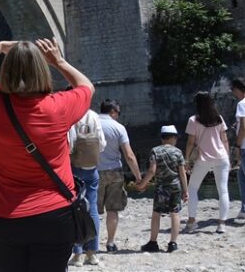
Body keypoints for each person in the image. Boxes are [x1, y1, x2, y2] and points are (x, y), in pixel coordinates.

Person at [0, 39, 94, 272]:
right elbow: (86, 86)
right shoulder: (59, 106)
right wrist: (58, 61)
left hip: (5, 215)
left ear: (6, 72)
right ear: (41, 70)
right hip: (55, 214)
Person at [96, 99, 142, 252]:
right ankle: (110, 243)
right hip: (114, 171)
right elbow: (129, 155)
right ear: (113, 111)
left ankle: (90, 243)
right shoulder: (119, 128)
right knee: (112, 209)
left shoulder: (91, 124)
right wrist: (138, 177)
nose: (118, 116)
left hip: (93, 171)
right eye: (118, 113)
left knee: (91, 210)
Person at [135, 125, 188, 253]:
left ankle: (153, 242)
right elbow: (182, 173)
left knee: (156, 214)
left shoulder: (155, 151)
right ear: (173, 138)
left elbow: (152, 170)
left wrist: (142, 184)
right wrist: (185, 191)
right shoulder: (178, 152)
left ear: (162, 138)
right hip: (175, 186)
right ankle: (173, 243)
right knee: (175, 213)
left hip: (161, 187)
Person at [184, 91, 230, 233]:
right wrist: (228, 157)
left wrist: (187, 160)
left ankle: (191, 222)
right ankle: (221, 224)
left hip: (203, 159)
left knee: (192, 188)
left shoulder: (193, 120)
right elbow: (225, 139)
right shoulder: (219, 118)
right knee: (223, 190)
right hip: (222, 157)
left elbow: (191, 142)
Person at [67, 108, 106, 267]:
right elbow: (102, 144)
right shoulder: (94, 116)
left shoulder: (71, 115)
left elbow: (70, 145)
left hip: (76, 170)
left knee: (77, 209)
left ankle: (77, 255)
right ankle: (92, 253)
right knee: (93, 210)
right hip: (92, 169)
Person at [233, 77, 245, 219]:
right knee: (241, 176)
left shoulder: (242, 104)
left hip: (244, 146)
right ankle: (243, 208)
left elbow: (243, 127)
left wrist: (237, 145)